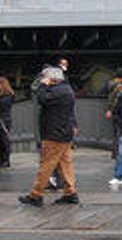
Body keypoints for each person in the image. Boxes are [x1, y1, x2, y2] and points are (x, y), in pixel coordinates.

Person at [19, 67, 79, 207]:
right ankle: (70, 193)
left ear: (52, 78)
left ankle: (36, 195)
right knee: (65, 164)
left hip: (54, 133)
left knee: (46, 164)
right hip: (64, 132)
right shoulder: (66, 89)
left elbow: (42, 99)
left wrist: (42, 85)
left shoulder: (56, 91)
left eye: (45, 77)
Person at [0, 77, 14, 169]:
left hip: (4, 120)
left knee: (4, 141)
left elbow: (3, 107)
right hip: (3, 119)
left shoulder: (8, 95)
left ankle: (6, 161)